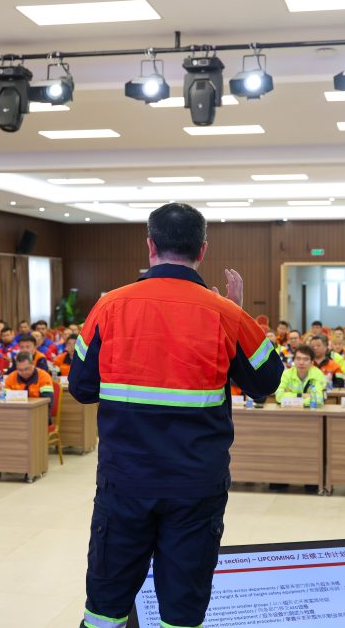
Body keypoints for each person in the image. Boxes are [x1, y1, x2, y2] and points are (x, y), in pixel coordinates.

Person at [68, 202, 283, 628]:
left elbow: (82, 388)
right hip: (195, 487)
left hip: (124, 482)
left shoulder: (109, 306)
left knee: (105, 606)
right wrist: (237, 314)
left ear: (150, 245)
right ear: (202, 250)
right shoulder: (226, 314)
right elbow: (267, 382)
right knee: (182, 610)